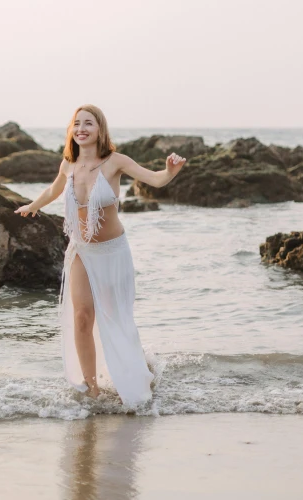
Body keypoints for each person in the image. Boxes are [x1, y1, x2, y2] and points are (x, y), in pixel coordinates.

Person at [14, 104, 186, 405]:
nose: (81, 128)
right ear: (71, 131)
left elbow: (155, 179)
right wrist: (32, 206)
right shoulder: (68, 164)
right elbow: (54, 191)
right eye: (76, 123)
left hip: (112, 252)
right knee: (82, 317)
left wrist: (170, 171)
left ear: (99, 129)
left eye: (88, 123)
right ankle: (91, 388)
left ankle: (133, 374)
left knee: (116, 319)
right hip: (81, 250)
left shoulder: (115, 161)